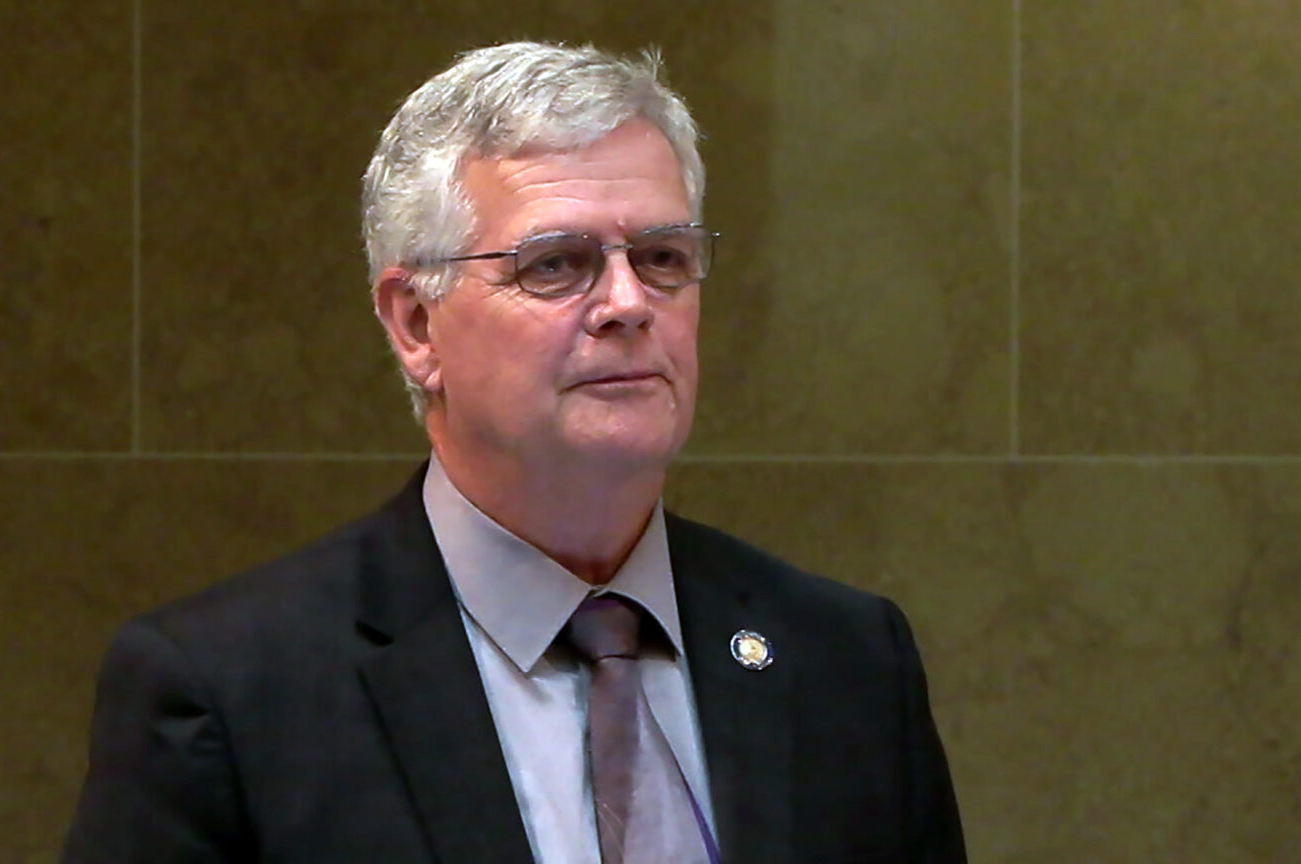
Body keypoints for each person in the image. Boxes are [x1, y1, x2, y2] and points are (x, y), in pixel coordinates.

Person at [62, 42, 966, 863]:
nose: (626, 303)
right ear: (417, 324)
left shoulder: (845, 660)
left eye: (661, 256)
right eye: (556, 265)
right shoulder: (231, 691)